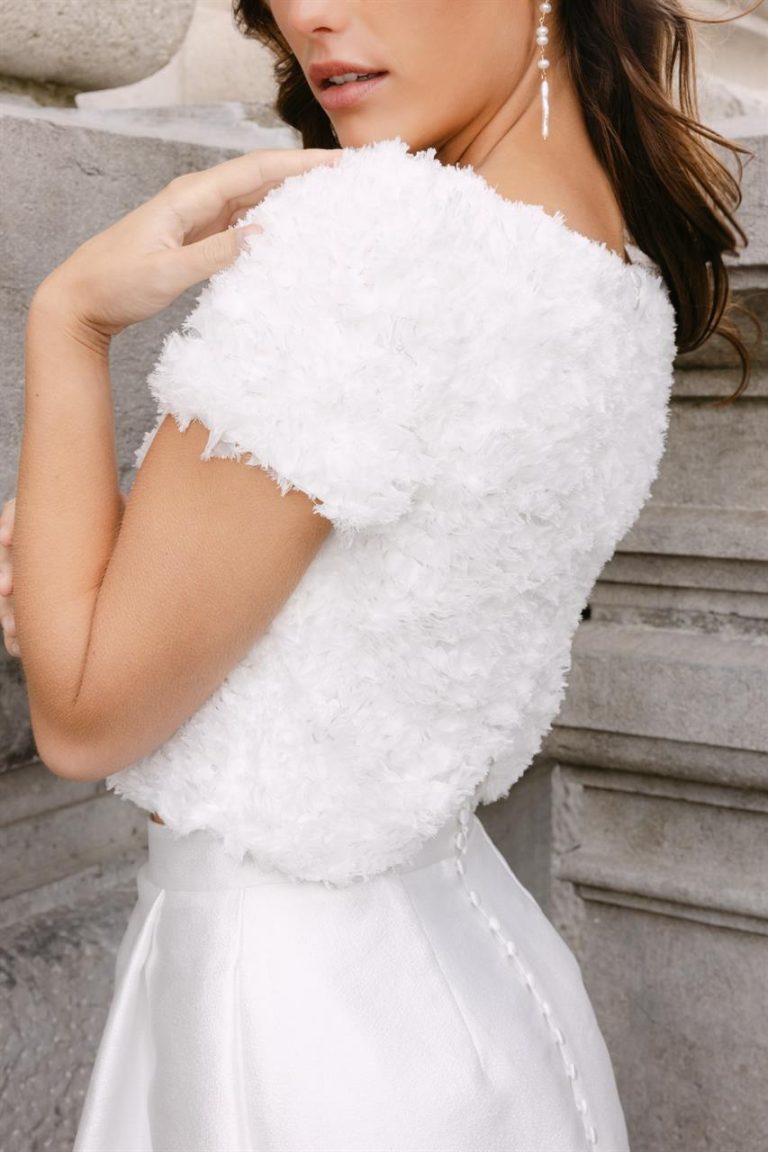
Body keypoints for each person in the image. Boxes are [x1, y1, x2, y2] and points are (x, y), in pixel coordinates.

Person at [1, 1, 757, 1149]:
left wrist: (70, 321)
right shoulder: (612, 278)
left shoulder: (370, 253)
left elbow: (83, 714)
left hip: (294, 1031)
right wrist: (95, 580)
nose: (312, 15)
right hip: (472, 988)